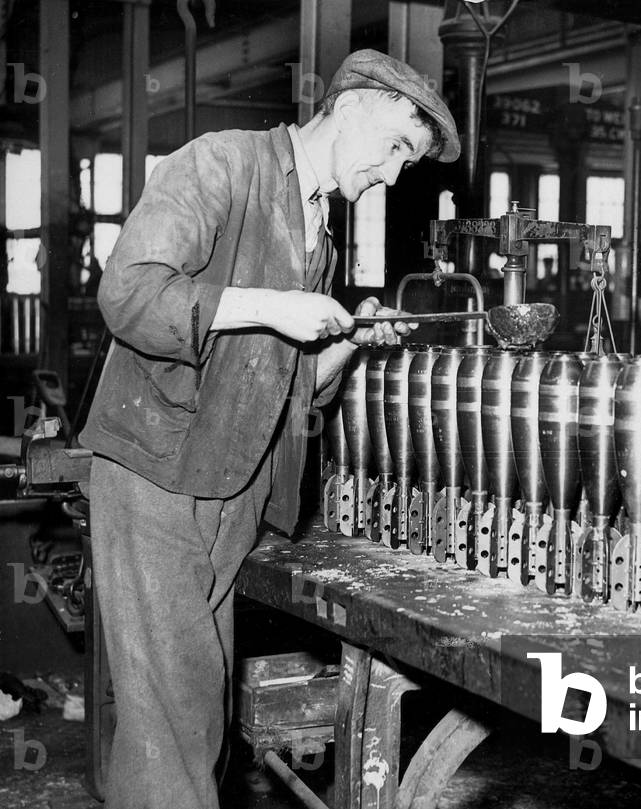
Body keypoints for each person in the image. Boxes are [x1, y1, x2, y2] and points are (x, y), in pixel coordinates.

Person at [79, 49, 460, 809]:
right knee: (174, 721)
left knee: (196, 711)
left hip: (230, 494)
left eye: (405, 164)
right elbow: (126, 293)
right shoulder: (221, 163)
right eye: (393, 149)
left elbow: (289, 394)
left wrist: (354, 339)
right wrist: (272, 304)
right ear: (352, 107)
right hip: (157, 477)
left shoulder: (316, 233)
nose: (390, 175)